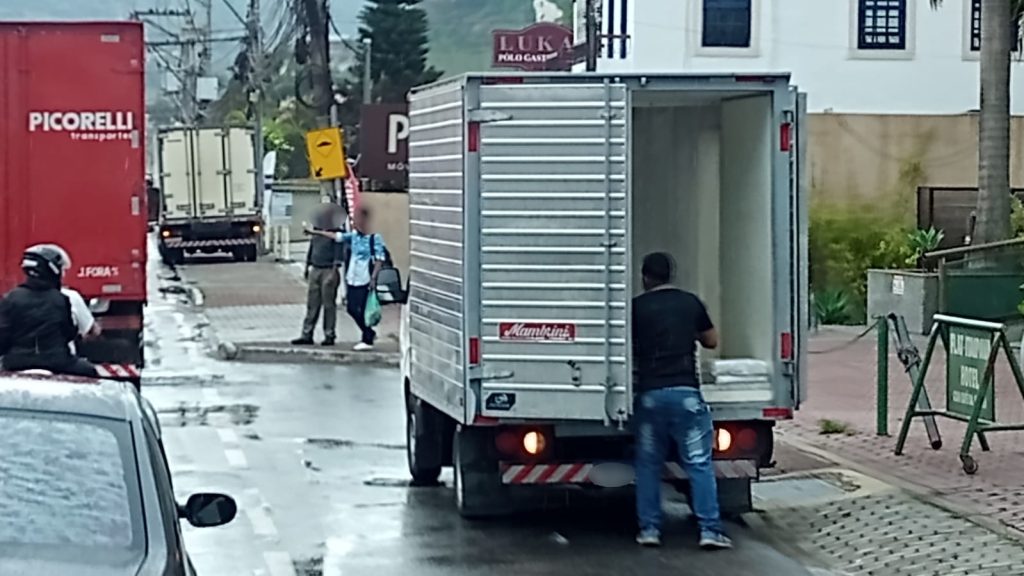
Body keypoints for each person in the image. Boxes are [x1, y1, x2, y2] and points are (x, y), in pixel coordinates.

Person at [631, 252, 732, 550]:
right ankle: (709, 531)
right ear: (671, 275)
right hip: (686, 394)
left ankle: (649, 529)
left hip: (650, 396)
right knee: (699, 463)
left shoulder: (637, 308)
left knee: (648, 465)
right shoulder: (690, 302)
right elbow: (712, 340)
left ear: (645, 277)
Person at [0, 244, 99, 378]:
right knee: (90, 373)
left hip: (16, 363)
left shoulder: (10, 298)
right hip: (57, 362)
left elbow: (3, 336)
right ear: (52, 270)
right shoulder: (60, 299)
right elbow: (68, 333)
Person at [305, 207, 386, 351]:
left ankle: (367, 337)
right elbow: (335, 236)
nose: (355, 223)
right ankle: (368, 333)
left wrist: (374, 277)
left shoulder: (374, 238)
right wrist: (314, 232)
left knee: (361, 309)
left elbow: (380, 259)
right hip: (352, 277)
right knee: (351, 308)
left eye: (358, 220)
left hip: (365, 278)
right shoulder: (353, 236)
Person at [292, 202, 345, 346]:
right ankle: (306, 334)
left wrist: (334, 272)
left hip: (328, 269)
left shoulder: (336, 232)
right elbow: (311, 249)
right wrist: (307, 266)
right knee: (312, 304)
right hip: (316, 268)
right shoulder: (316, 231)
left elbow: (338, 255)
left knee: (329, 304)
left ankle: (329, 334)